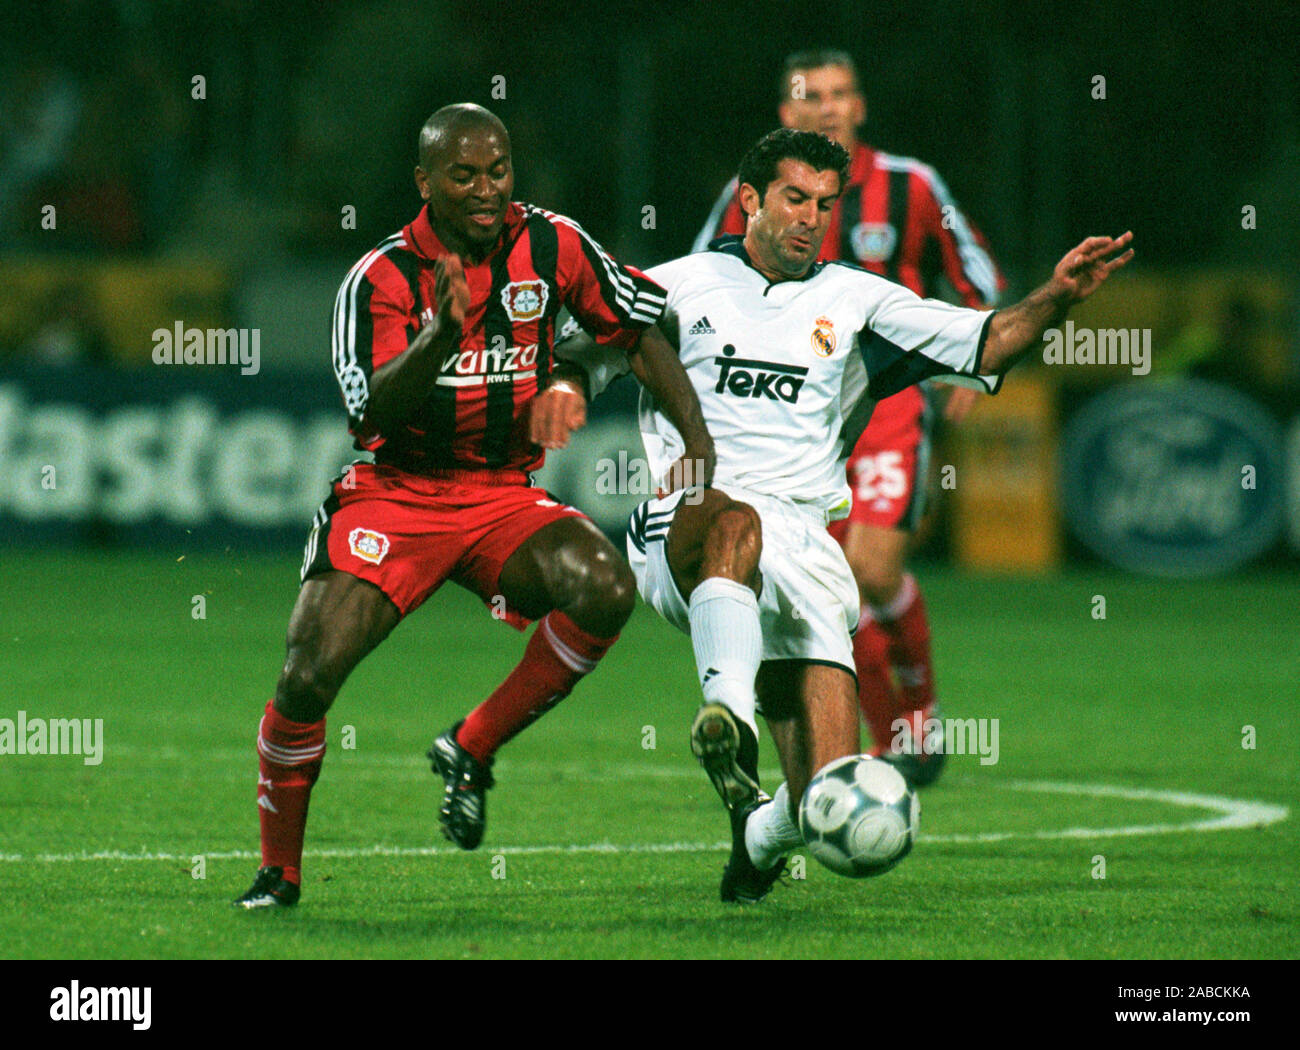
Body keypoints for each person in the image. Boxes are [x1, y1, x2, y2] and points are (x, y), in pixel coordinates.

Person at [563, 127, 1132, 901]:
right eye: (795, 198)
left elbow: (988, 343)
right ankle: (726, 714)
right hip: (686, 521)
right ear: (750, 199)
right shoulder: (675, 283)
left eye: (825, 204)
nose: (810, 217)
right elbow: (577, 349)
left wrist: (1058, 295)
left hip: (805, 542)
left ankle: (756, 837)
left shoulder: (859, 301)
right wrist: (559, 390)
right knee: (735, 523)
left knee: (823, 797)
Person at [236, 103, 713, 908]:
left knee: (604, 587)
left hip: (504, 500)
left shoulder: (554, 243)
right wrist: (438, 337)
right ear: (425, 182)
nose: (486, 190)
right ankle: (277, 873)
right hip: (398, 498)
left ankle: (471, 745)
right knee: (307, 679)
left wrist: (696, 445)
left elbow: (638, 325)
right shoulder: (379, 278)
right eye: (464, 175)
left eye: (498, 171)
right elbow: (373, 416)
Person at [694, 50, 1004, 785]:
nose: (826, 107)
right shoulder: (756, 193)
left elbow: (976, 272)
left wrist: (976, 356)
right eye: (811, 95)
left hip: (889, 401)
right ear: (786, 113)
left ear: (859, 107)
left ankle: (918, 716)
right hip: (796, 412)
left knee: (869, 568)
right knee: (830, 585)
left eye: (839, 94)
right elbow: (705, 274)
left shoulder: (911, 185)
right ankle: (891, 736)